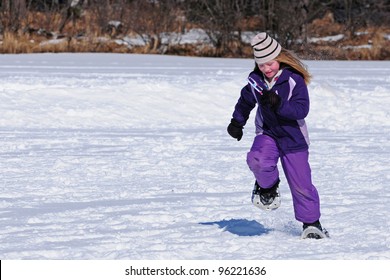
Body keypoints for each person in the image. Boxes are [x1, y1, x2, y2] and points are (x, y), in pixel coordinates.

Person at [227, 32, 328, 239]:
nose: (267, 68)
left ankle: (312, 224)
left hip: (294, 138)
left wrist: (280, 104)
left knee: (301, 183)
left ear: (279, 58)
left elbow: (301, 110)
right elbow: (246, 100)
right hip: (268, 133)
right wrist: (237, 122)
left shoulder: (293, 79)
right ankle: (268, 188)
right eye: (262, 65)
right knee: (257, 159)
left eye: (270, 63)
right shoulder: (256, 82)